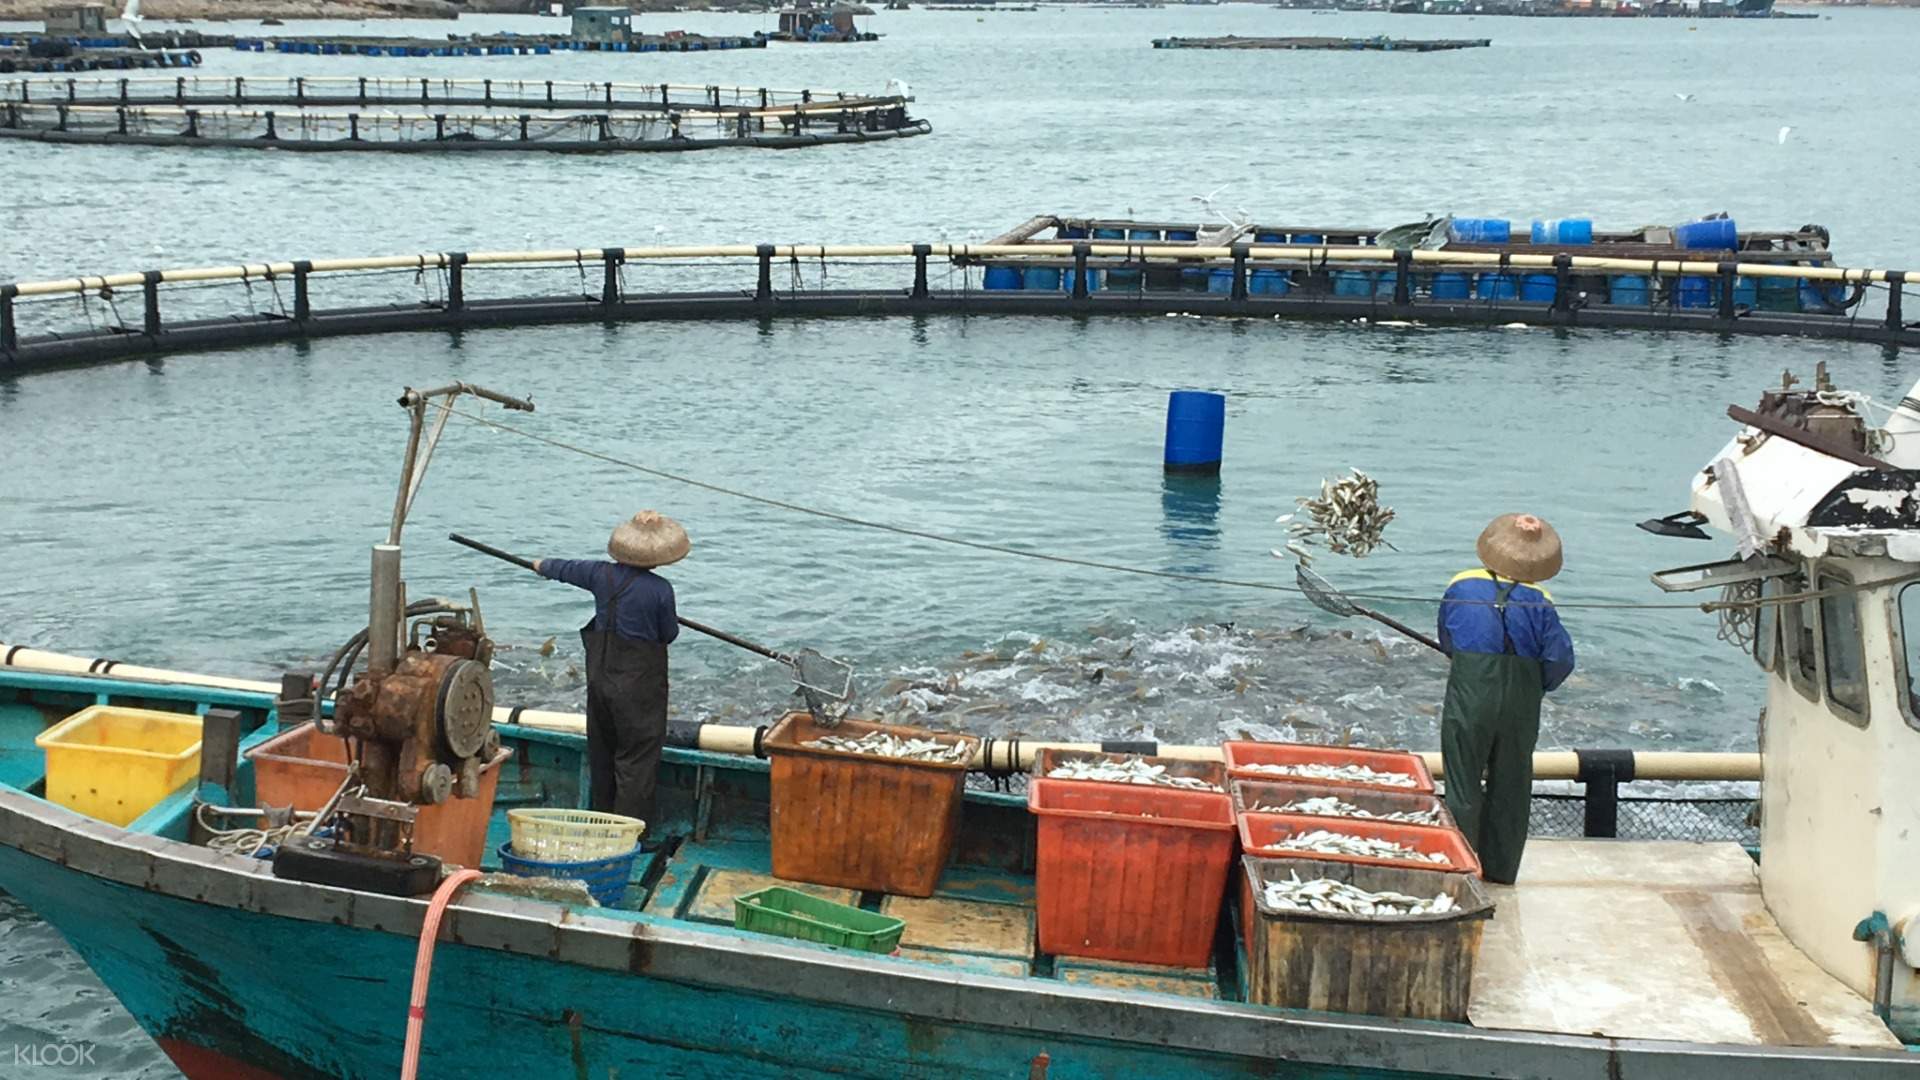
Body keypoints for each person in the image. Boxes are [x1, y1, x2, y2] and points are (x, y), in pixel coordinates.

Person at [1437, 513, 1575, 885]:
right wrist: (1532, 687)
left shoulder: (1461, 584)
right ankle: (1500, 872)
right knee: (1512, 783)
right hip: (1521, 702)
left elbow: (1447, 639)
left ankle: (1460, 868)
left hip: (1471, 690)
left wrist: (1471, 666)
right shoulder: (1541, 601)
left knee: (1462, 779)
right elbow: (1559, 661)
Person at [532, 511, 687, 830]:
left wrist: (540, 565)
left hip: (600, 678)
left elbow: (557, 568)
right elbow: (668, 634)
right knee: (636, 759)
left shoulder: (598, 574)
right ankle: (627, 833)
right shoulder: (660, 590)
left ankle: (602, 824)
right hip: (639, 687)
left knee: (602, 752)